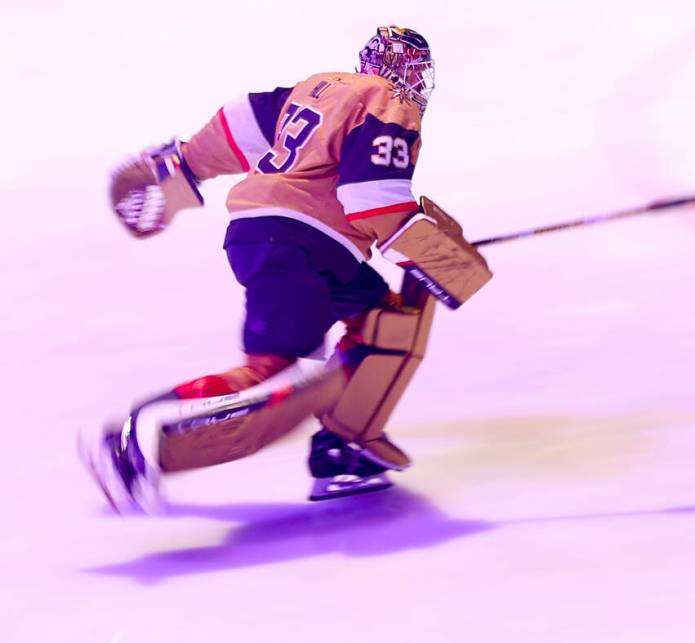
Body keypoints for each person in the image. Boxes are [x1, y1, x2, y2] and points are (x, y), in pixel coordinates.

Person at [82, 26, 491, 513]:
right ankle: (142, 442)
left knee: (385, 324)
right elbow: (372, 200)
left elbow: (237, 126)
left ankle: (344, 448)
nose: (418, 82)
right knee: (271, 373)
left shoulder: (320, 87)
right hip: (302, 244)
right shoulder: (388, 100)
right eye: (416, 69)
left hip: (278, 239)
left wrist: (181, 166)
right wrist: (441, 260)